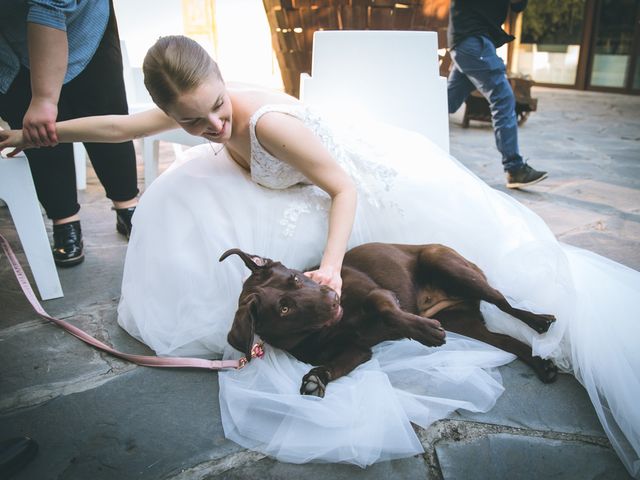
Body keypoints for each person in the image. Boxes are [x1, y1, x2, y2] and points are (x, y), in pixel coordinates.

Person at [0, 36, 638, 474]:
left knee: (384, 265)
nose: (214, 129)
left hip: (351, 189)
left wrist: (331, 267)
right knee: (186, 197)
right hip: (295, 182)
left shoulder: (268, 125)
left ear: (224, 84)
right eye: (192, 123)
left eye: (219, 109)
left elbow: (343, 187)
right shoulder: (191, 111)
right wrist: (39, 133)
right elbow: (120, 126)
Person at [0, 0, 139, 267]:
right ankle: (64, 219)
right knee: (35, 132)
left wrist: (44, 99)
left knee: (102, 111)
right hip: (9, 44)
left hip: (80, 23)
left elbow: (49, 6)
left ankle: (126, 206)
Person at [447, 0, 548, 189]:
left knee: (445, 102)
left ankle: (403, 129)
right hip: (472, 40)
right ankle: (515, 168)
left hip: (467, 41)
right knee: (503, 98)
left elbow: (518, 5)